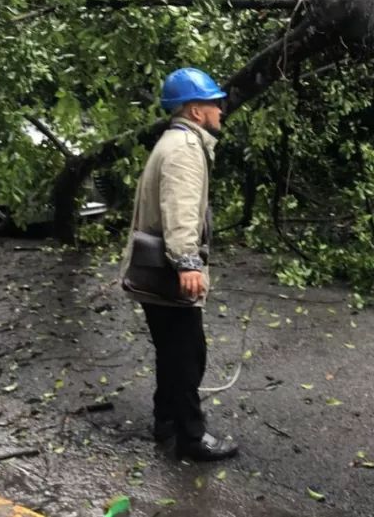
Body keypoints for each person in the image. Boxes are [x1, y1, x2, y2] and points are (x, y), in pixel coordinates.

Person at [120, 67, 240, 462]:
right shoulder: (186, 150)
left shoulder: (176, 142)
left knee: (173, 351)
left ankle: (166, 421)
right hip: (168, 271)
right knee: (188, 355)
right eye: (213, 102)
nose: (220, 108)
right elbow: (181, 211)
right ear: (194, 110)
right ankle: (191, 437)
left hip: (154, 268)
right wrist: (188, 263)